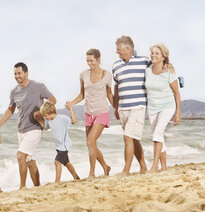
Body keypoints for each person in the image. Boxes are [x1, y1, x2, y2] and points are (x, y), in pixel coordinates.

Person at [0, 62, 56, 189]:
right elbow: (10, 110)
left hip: (35, 128)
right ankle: (37, 187)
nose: (17, 76)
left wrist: (42, 111)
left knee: (21, 155)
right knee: (29, 160)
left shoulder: (38, 86)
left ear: (26, 73)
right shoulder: (14, 92)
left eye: (19, 73)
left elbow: (53, 100)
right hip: (21, 129)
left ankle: (22, 187)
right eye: (15, 74)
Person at [66, 48, 113, 178]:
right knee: (91, 143)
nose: (89, 63)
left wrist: (116, 107)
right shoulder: (83, 74)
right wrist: (72, 103)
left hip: (102, 112)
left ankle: (91, 173)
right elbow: (82, 94)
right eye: (87, 60)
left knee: (90, 141)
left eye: (92, 60)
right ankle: (105, 167)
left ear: (98, 60)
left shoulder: (107, 75)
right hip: (88, 112)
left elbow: (109, 94)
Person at [112, 36, 149, 176]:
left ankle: (126, 171)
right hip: (123, 108)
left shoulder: (144, 61)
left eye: (118, 49)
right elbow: (117, 88)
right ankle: (143, 167)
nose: (117, 52)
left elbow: (159, 66)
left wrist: (169, 65)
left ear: (128, 49)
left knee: (127, 137)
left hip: (138, 106)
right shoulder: (116, 66)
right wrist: (115, 107)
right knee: (133, 138)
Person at [145, 43, 181, 172]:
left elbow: (177, 93)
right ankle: (164, 167)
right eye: (152, 53)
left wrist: (178, 113)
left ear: (163, 57)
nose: (153, 55)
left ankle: (154, 166)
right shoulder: (147, 70)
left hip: (167, 105)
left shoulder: (169, 71)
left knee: (157, 133)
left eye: (157, 53)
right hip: (153, 107)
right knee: (158, 136)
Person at [38, 101, 80, 182]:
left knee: (57, 162)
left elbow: (74, 121)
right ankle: (76, 177)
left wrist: (71, 109)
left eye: (45, 115)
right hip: (58, 146)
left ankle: (57, 181)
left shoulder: (62, 118)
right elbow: (45, 127)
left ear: (50, 112)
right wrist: (39, 121)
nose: (44, 117)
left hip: (64, 146)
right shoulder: (48, 120)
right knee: (66, 163)